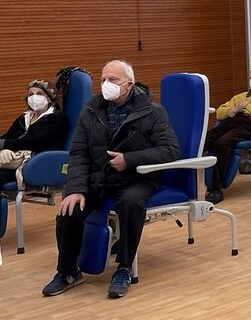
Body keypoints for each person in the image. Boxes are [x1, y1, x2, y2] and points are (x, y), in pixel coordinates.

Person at [41, 60, 180, 299]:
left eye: (113, 80)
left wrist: (129, 159)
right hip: (100, 177)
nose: (106, 84)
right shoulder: (91, 111)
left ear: (129, 84)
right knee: (69, 210)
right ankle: (68, 271)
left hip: (137, 178)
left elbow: (170, 150)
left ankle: (124, 268)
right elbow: (79, 153)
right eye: (104, 79)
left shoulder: (153, 112)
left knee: (131, 203)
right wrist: (75, 188)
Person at [204, 64, 251, 204]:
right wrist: (234, 109)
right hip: (233, 121)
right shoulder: (240, 96)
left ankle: (215, 188)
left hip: (250, 125)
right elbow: (220, 112)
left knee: (221, 143)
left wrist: (246, 106)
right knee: (206, 139)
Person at [0, 80, 69, 188]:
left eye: (39, 94)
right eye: (30, 94)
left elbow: (39, 142)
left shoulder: (58, 118)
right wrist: (4, 149)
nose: (34, 97)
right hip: (14, 159)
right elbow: (7, 136)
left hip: (37, 162)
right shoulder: (23, 118)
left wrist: (6, 145)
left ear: (49, 98)